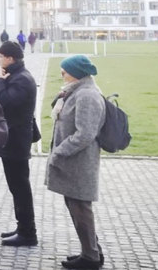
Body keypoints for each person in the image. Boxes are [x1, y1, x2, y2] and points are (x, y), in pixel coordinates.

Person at [47, 55, 106, 269]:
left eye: (64, 72)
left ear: (76, 73)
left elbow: (86, 133)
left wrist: (60, 151)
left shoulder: (87, 95)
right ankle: (91, 251)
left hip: (79, 163)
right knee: (76, 206)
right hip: (72, 162)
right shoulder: (76, 91)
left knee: (81, 207)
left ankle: (91, 257)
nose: (61, 75)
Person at [0, 41, 38, 246]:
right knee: (17, 187)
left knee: (20, 187)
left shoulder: (21, 79)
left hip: (17, 141)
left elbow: (4, 103)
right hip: (15, 139)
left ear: (10, 58)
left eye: (0, 56)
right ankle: (23, 227)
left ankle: (28, 232)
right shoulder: (17, 76)